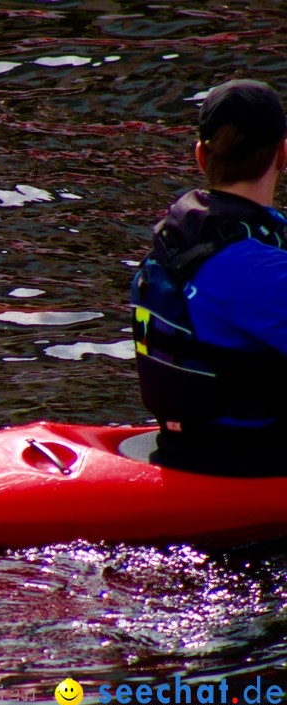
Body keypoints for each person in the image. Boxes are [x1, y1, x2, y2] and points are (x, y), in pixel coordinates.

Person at [131, 78, 287, 475]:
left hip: (182, 444)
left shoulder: (174, 238)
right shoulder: (262, 273)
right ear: (282, 155)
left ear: (201, 156)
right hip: (251, 460)